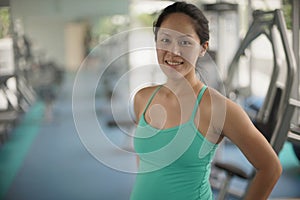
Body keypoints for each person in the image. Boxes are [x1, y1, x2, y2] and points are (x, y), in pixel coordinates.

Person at [130, 2, 282, 200]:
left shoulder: (218, 108)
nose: (173, 51)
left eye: (185, 42)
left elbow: (270, 168)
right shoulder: (142, 98)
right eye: (165, 40)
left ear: (203, 48)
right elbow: (146, 162)